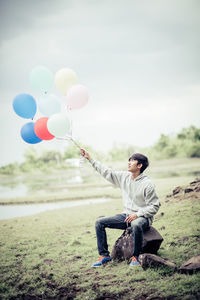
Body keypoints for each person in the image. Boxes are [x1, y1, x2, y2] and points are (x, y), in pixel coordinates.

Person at [80, 149, 160, 268]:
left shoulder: (147, 184)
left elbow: (154, 206)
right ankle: (104, 256)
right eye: (129, 160)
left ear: (139, 165)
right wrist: (90, 159)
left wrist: (138, 214)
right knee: (99, 222)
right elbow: (107, 172)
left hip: (143, 217)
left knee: (136, 224)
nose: (129, 163)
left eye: (132, 161)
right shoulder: (124, 177)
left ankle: (136, 257)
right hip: (126, 215)